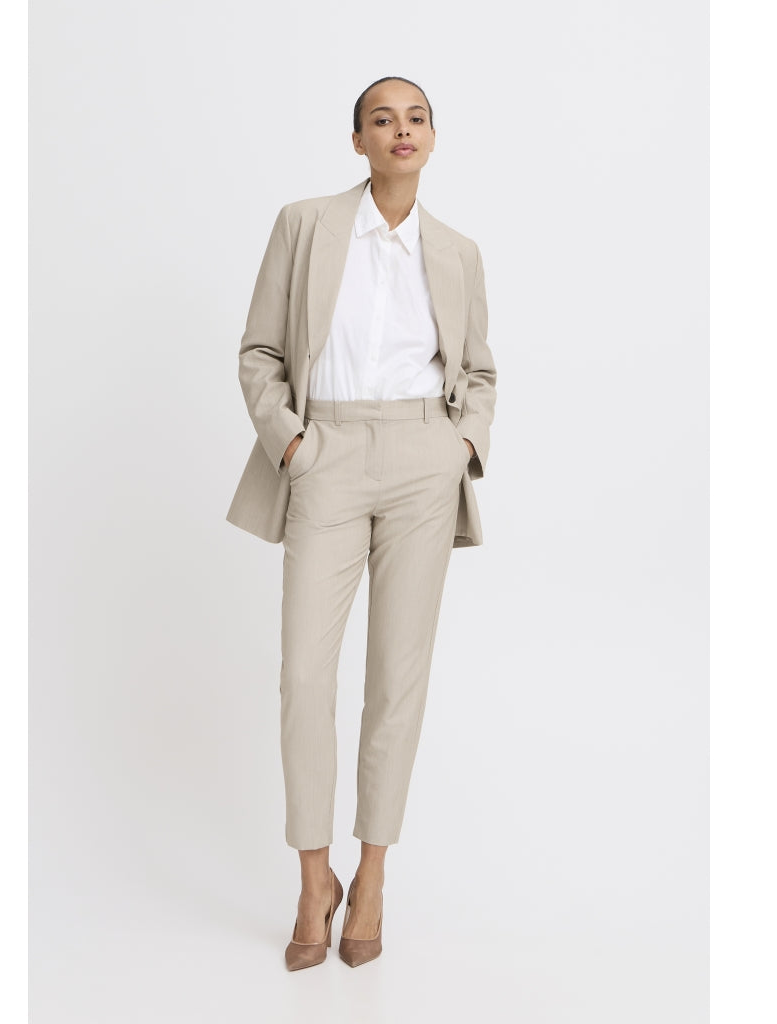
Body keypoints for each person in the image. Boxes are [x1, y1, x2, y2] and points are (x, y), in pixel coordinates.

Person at [225, 76, 497, 969]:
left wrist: (460, 446)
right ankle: (315, 879)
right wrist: (293, 444)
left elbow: (479, 370)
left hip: (424, 458)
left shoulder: (457, 252)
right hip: (326, 452)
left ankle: (373, 875)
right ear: (358, 141)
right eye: (382, 118)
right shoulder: (306, 224)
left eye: (416, 118)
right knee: (305, 675)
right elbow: (260, 351)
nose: (400, 130)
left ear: (432, 138)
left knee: (396, 680)